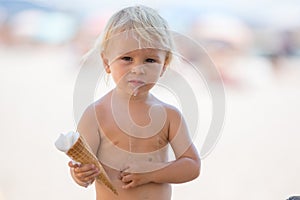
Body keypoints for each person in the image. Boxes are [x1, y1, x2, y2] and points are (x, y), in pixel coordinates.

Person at [68, 5, 200, 200]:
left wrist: (151, 173)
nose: (138, 69)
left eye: (150, 60)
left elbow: (192, 166)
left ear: (164, 65)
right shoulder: (96, 114)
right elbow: (83, 168)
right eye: (127, 58)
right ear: (106, 63)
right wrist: (80, 174)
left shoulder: (170, 116)